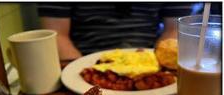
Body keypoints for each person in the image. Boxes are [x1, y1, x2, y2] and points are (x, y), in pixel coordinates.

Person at [37, 3, 199, 61]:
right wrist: (82, 73)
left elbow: (174, 30)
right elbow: (56, 34)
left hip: (150, 58)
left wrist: (153, 65)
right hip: (82, 59)